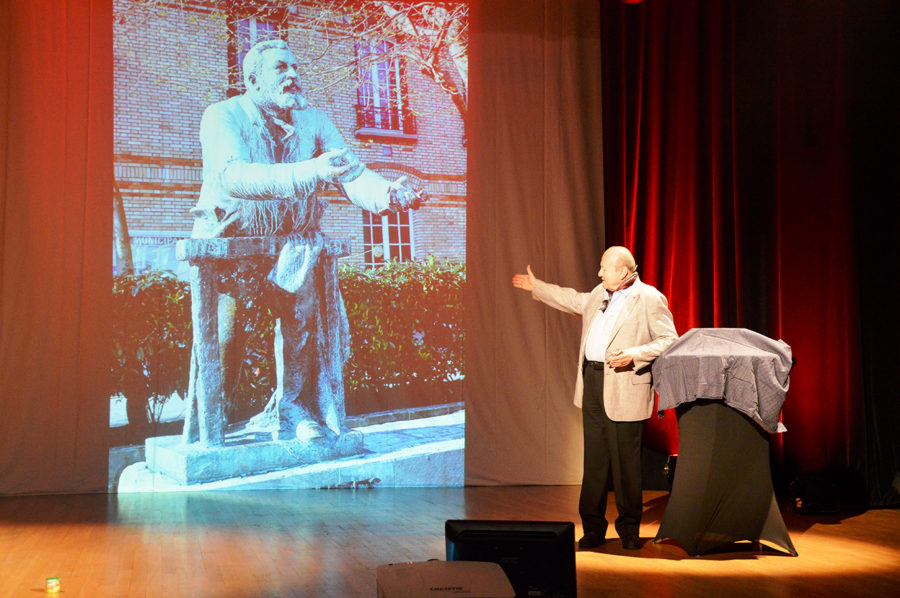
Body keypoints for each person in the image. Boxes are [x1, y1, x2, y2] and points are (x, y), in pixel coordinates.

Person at [190, 39, 423, 442]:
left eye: (295, 67)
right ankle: (210, 422)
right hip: (231, 246)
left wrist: (387, 194)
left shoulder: (314, 121)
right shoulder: (221, 116)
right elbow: (234, 176)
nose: (293, 75)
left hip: (292, 244)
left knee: (302, 324)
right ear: (252, 79)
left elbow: (349, 171)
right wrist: (310, 172)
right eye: (281, 68)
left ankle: (293, 408)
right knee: (227, 339)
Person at [511, 246, 677, 550]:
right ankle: (593, 529)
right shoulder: (600, 292)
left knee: (627, 464)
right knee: (595, 461)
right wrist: (538, 287)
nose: (599, 273)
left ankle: (628, 530)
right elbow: (572, 299)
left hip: (626, 385)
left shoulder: (649, 298)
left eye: (604, 268)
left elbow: (669, 340)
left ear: (623, 271)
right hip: (593, 382)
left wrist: (634, 354)